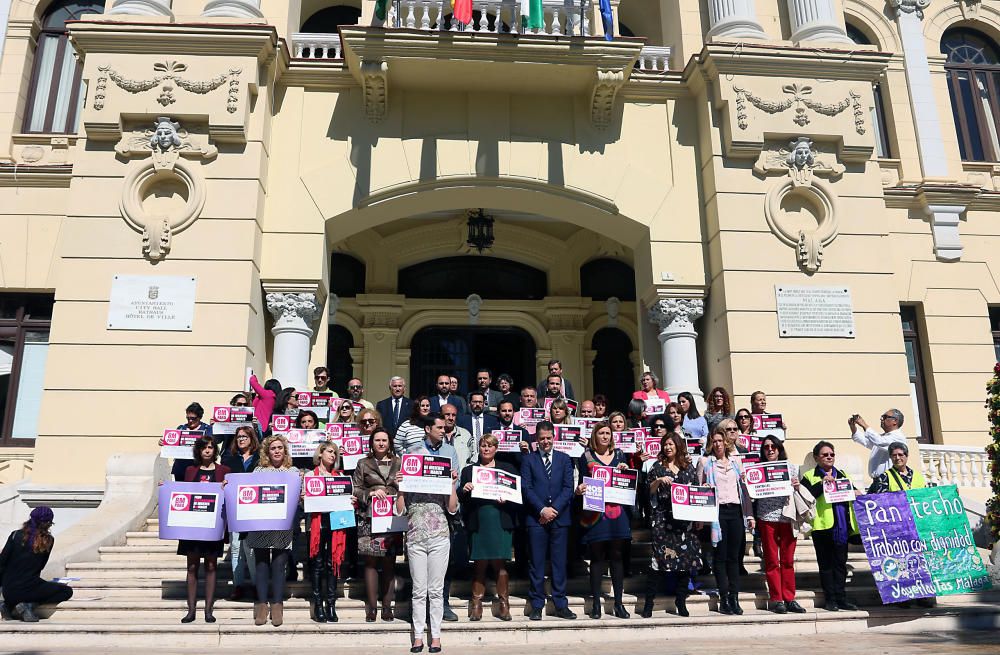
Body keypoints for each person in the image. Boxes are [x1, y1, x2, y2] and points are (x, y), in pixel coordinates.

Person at [395, 414, 459, 653]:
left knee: (436, 589)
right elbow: (400, 510)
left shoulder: (447, 455)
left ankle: (436, 636)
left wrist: (452, 483)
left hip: (440, 534)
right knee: (419, 589)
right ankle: (418, 635)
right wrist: (401, 486)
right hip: (415, 534)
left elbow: (452, 508)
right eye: (439, 427)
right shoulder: (412, 456)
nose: (444, 430)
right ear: (427, 428)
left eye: (445, 427)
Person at [575, 422, 632, 619]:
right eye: (601, 433)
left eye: (608, 433)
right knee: (597, 558)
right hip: (596, 513)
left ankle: (618, 603)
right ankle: (597, 604)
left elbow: (629, 482)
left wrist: (625, 470)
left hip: (617, 512)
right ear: (594, 436)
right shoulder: (586, 457)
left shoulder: (620, 456)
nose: (605, 436)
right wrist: (579, 489)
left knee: (616, 557)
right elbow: (582, 481)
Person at [521, 421, 577, 621]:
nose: (545, 441)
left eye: (548, 438)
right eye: (542, 438)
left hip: (560, 519)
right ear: (536, 439)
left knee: (559, 563)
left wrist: (554, 510)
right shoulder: (529, 460)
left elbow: (568, 488)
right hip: (536, 518)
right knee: (536, 563)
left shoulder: (564, 459)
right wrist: (542, 509)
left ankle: (560, 603)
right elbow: (526, 488)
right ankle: (537, 603)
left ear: (554, 437)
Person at [458, 434, 519, 621]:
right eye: (483, 446)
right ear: (479, 448)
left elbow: (517, 497)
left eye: (490, 446)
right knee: (480, 563)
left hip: (500, 519)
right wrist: (464, 489)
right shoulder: (469, 470)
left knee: (500, 563)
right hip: (479, 520)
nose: (486, 449)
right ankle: (476, 603)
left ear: (496, 449)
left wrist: (507, 498)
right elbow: (461, 497)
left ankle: (504, 603)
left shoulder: (507, 469)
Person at [641, 431, 701, 618]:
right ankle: (649, 603)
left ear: (678, 446)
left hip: (685, 522)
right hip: (662, 520)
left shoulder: (688, 467)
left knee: (684, 563)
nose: (667, 447)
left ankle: (680, 602)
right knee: (658, 561)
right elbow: (647, 490)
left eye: (671, 444)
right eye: (665, 444)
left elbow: (696, 491)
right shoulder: (657, 467)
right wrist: (658, 481)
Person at [697, 426, 753, 615]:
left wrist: (749, 514)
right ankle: (724, 598)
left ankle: (734, 597)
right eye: (714, 441)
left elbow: (744, 490)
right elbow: (699, 490)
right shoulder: (705, 463)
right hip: (718, 513)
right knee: (720, 557)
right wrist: (704, 487)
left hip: (735, 511)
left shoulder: (736, 463)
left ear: (726, 442)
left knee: (734, 557)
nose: (718, 444)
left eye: (721, 440)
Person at [246, 434, 300, 627]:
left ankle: (277, 604)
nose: (277, 451)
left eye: (280, 448)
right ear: (267, 452)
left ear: (285, 451)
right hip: (260, 524)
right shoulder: (258, 470)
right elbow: (246, 490)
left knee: (279, 565)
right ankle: (261, 604)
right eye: (273, 448)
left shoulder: (293, 471)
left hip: (282, 526)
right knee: (261, 564)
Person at [801, 441, 859, 612]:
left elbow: (853, 492)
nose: (829, 457)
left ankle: (841, 599)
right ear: (816, 457)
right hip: (822, 527)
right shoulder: (810, 476)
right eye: (825, 454)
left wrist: (858, 492)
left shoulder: (842, 474)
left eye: (832, 454)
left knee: (840, 565)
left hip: (842, 526)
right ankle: (830, 599)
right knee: (826, 566)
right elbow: (805, 497)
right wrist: (822, 484)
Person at [178, 437, 230, 623]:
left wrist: (226, 488)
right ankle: (191, 610)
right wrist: (165, 488)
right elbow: (181, 492)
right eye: (204, 448)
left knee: (211, 566)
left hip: (213, 527)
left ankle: (208, 610)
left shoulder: (224, 471)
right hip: (192, 526)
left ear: (215, 450)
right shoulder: (190, 470)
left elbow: (229, 498)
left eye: (210, 447)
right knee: (192, 567)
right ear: (198, 451)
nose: (207, 450)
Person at [353, 427, 402, 622]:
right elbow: (355, 488)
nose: (381, 443)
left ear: (389, 442)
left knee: (389, 562)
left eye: (384, 440)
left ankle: (387, 607)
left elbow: (408, 488)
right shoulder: (363, 463)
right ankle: (372, 607)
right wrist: (370, 494)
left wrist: (401, 484)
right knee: (371, 561)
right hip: (369, 517)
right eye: (377, 440)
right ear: (371, 443)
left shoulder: (399, 463)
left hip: (392, 518)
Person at [305, 441, 355, 622]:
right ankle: (318, 604)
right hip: (317, 524)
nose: (333, 455)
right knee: (318, 565)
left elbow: (347, 500)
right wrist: (304, 498)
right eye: (329, 452)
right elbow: (305, 504)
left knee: (333, 562)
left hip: (335, 523)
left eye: (335, 453)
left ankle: (331, 605)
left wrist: (351, 499)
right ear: (320, 454)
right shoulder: (311, 475)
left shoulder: (340, 477)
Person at [755, 435, 805, 614]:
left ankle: (790, 598)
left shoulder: (790, 468)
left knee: (787, 561)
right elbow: (752, 493)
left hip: (787, 517)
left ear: (779, 449)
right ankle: (777, 599)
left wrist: (797, 485)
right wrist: (747, 481)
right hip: (766, 518)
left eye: (773, 447)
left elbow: (797, 491)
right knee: (771, 561)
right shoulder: (757, 470)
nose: (770, 449)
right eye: (766, 447)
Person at [0, 507, 73, 622]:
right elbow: (41, 566)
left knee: (24, 588)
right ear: (49, 523)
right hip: (28, 590)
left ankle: (7, 605)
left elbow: (2, 562)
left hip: (8, 590)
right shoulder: (48, 540)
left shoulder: (15, 535)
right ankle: (29, 605)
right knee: (67, 591)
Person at [222, 425, 259, 601]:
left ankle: (254, 584)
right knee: (236, 548)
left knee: (250, 549)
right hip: (235, 509)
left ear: (252, 438)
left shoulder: (260, 460)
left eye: (244, 436)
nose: (241, 439)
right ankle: (237, 585)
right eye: (238, 437)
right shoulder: (229, 461)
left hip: (254, 511)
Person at [850, 409, 907, 479]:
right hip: (878, 480)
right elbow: (866, 442)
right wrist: (853, 426)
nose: (881, 419)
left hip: (889, 480)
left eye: (885, 417)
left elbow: (879, 441)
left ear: (895, 421)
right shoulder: (884, 437)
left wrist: (864, 425)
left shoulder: (898, 437)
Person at [169, 402, 213, 481]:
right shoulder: (181, 428)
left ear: (199, 417)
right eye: (188, 418)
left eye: (193, 418)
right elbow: (173, 445)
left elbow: (211, 445)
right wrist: (164, 443)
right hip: (180, 468)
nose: (190, 421)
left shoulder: (207, 429)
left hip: (199, 467)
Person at [442, 403, 475, 471]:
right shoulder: (435, 434)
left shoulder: (465, 434)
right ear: (440, 415)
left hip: (461, 478)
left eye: (453, 415)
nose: (451, 418)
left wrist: (467, 472)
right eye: (447, 415)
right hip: (440, 478)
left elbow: (474, 455)